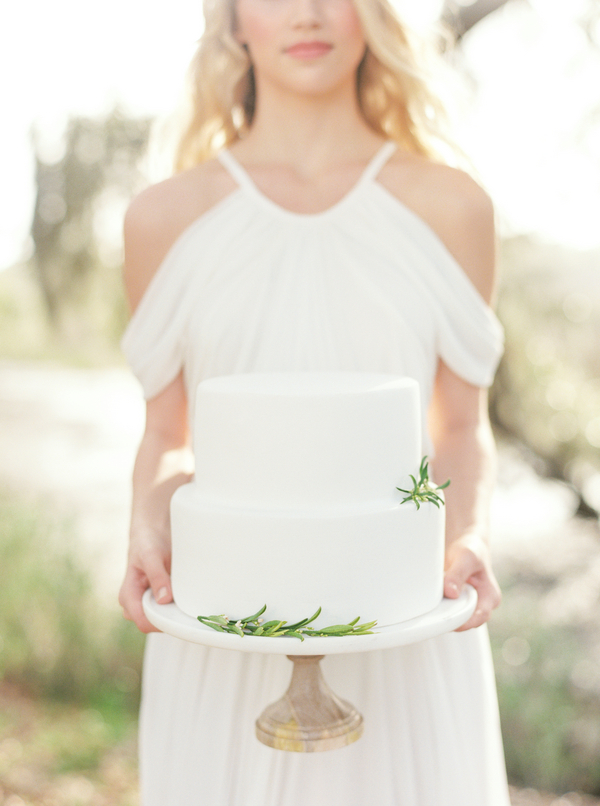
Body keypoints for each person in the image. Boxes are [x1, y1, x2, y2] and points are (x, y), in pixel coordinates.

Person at [119, 0, 510, 803]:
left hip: (402, 625)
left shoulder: (451, 206)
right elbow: (167, 431)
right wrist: (150, 518)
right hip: (223, 627)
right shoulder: (162, 218)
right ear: (230, 19)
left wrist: (465, 533)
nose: (306, 11)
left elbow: (464, 427)